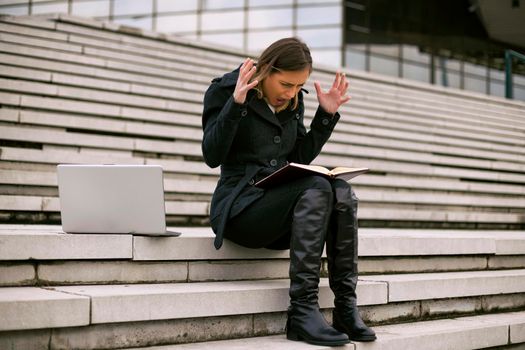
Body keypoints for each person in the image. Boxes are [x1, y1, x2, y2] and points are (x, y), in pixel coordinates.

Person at [201, 37, 376, 346]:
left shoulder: (293, 100)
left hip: (277, 205)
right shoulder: (226, 90)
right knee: (319, 185)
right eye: (285, 84)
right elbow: (212, 155)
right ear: (266, 69)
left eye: (299, 87)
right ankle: (302, 311)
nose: (291, 93)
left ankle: (346, 307)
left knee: (341, 190)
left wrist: (325, 116)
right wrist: (236, 105)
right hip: (240, 209)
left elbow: (297, 160)